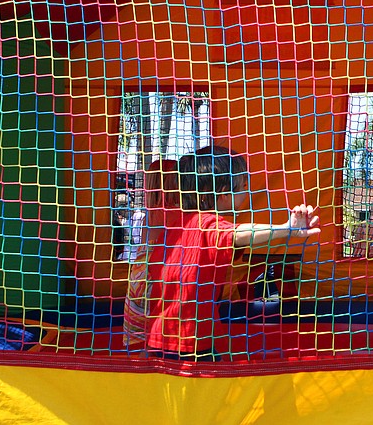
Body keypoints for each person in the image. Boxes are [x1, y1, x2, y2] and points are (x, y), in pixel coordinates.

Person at [146, 145, 320, 361]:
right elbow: (239, 234)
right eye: (242, 187)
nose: (247, 191)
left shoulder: (175, 226)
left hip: (159, 337)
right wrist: (286, 228)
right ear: (223, 194)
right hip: (190, 342)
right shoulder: (208, 225)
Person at [122, 159, 179, 350]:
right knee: (161, 333)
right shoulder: (175, 212)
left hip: (138, 275)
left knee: (140, 336)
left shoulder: (150, 213)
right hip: (157, 275)